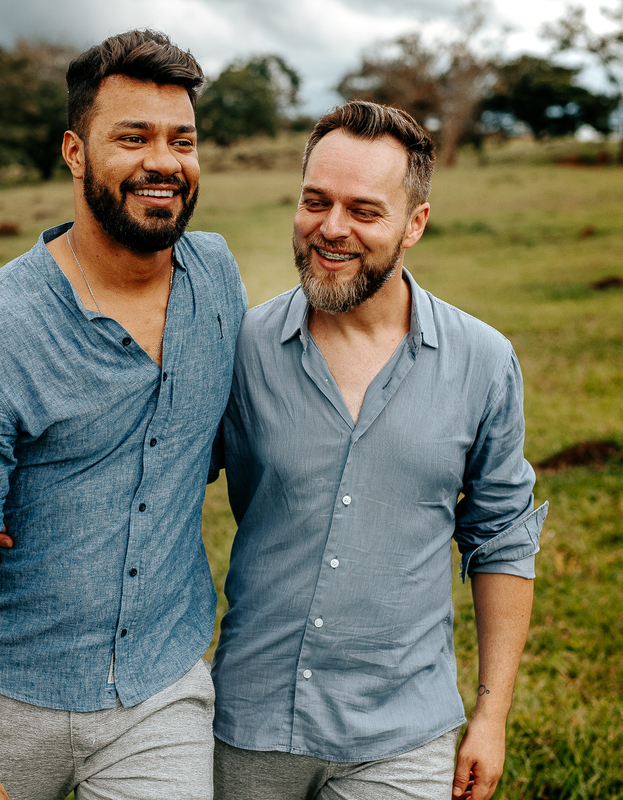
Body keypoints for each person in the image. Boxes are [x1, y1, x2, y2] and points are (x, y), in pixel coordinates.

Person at [0, 30, 246, 800]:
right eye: (133, 137)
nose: (164, 160)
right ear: (75, 151)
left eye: (182, 140)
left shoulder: (217, 279)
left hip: (160, 685)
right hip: (12, 693)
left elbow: (228, 437)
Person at [209, 101, 547, 800]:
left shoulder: (484, 361)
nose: (331, 229)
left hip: (402, 736)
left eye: (364, 210)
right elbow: (150, 466)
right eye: (315, 202)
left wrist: (492, 713)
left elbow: (504, 541)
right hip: (249, 723)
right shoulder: (238, 349)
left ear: (413, 224)